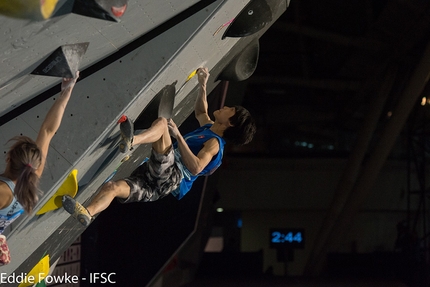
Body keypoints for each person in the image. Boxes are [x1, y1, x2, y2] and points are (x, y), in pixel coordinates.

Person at [63, 67, 256, 226]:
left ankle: (132, 141)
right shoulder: (210, 128)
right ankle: (87, 213)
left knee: (163, 123)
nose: (227, 107)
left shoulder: (214, 143)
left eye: (231, 110)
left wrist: (178, 135)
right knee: (112, 187)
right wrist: (203, 85)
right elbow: (200, 111)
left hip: (172, 174)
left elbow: (197, 167)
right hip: (159, 188)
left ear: (230, 123)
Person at [0, 72, 79, 244]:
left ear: (8, 158)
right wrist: (66, 91)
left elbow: (48, 131)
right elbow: (48, 131)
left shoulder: (3, 191)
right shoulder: (29, 181)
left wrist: (67, 89)